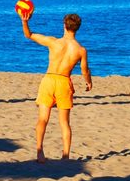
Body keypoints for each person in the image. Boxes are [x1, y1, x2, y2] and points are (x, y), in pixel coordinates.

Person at [21, 9, 92, 161]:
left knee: (43, 119)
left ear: (64, 26)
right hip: (64, 82)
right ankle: (65, 155)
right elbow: (84, 70)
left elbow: (29, 35)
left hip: (48, 80)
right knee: (64, 122)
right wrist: (88, 82)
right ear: (77, 28)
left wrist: (25, 21)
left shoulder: (54, 42)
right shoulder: (81, 50)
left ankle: (40, 151)